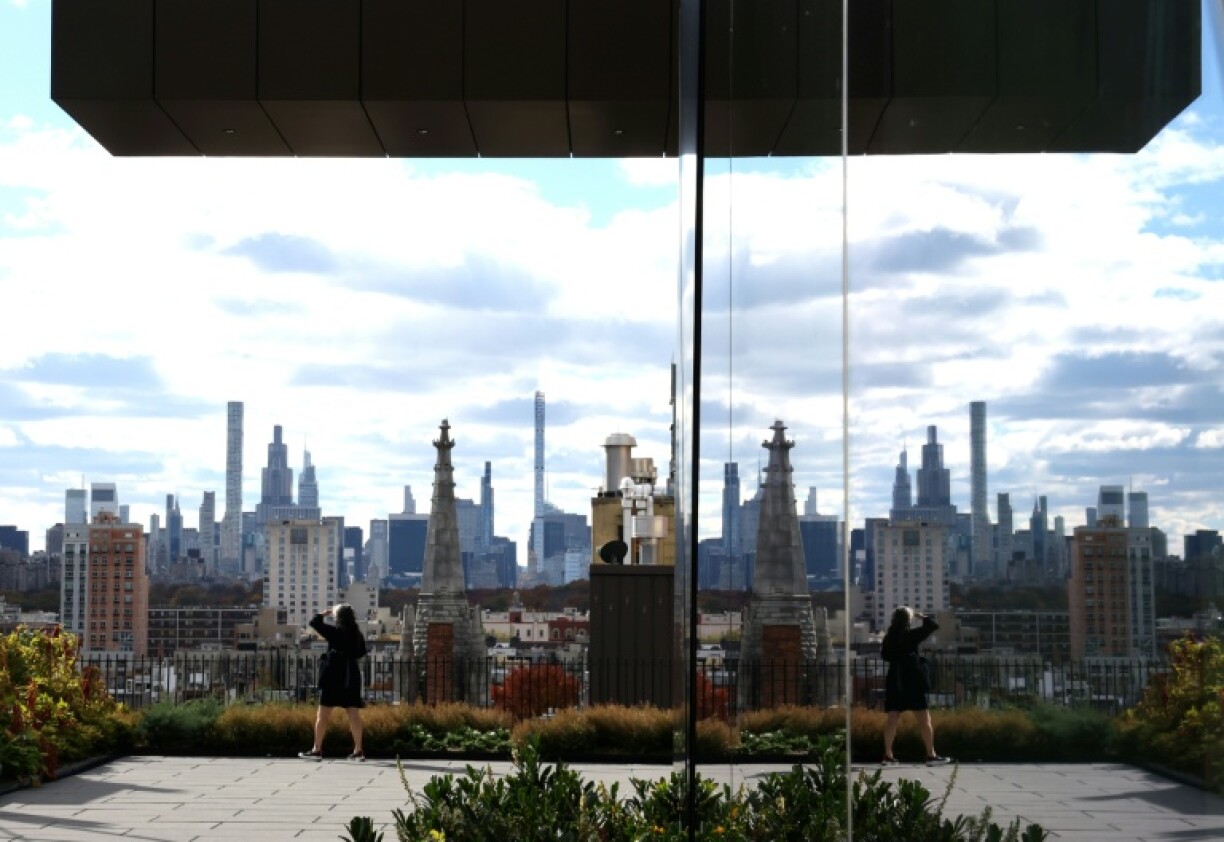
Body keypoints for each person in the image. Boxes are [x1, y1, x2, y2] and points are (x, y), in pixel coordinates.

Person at [880, 606, 950, 766]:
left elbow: (885, 656)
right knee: (924, 720)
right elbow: (933, 626)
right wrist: (920, 616)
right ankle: (931, 754)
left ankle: (888, 754)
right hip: (912, 680)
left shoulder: (888, 638)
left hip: (895, 680)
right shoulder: (911, 636)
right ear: (907, 620)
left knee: (892, 719)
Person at [299, 604, 368, 761]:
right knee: (353, 715)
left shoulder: (335, 632)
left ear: (338, 618)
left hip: (334, 676)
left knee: (322, 715)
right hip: (351, 676)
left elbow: (314, 623)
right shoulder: (357, 634)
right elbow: (362, 652)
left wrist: (323, 614)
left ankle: (317, 749)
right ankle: (358, 750)